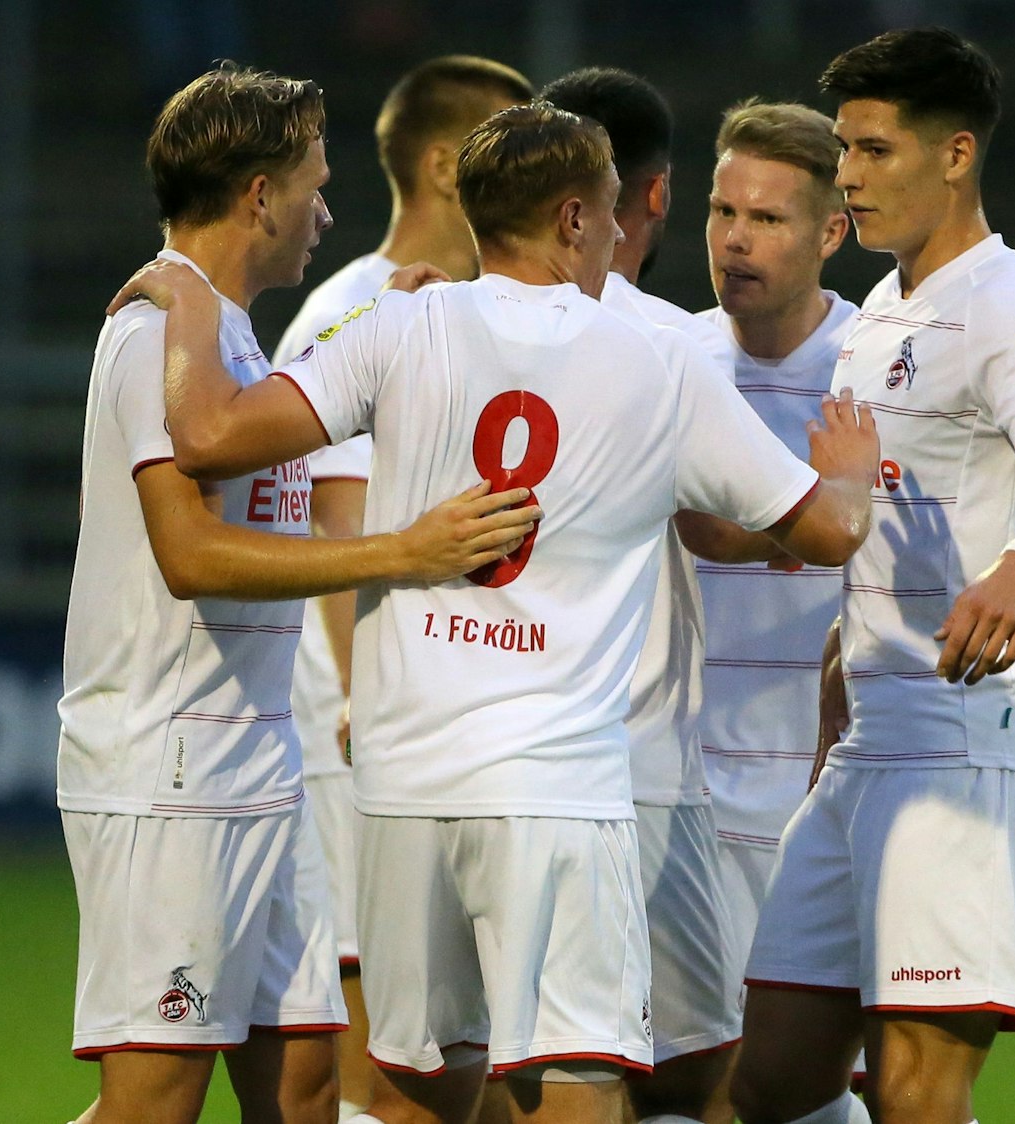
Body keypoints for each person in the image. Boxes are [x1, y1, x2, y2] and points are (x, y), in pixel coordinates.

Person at [110, 101, 879, 1124]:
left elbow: (205, 434)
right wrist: (850, 477)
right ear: (573, 218)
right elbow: (825, 533)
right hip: (555, 786)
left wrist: (186, 294)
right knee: (584, 1083)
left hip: (403, 785)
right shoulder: (656, 361)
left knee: (419, 1093)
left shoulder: (397, 324)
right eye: (609, 211)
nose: (618, 233)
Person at [55, 64, 541, 1124]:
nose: (325, 213)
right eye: (314, 188)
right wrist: (400, 552)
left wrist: (394, 319)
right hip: (167, 767)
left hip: (256, 759)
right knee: (155, 1099)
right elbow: (190, 554)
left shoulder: (222, 333)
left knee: (307, 1082)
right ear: (259, 196)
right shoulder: (155, 333)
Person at [730, 29, 1015, 1124]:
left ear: (954, 155)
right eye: (843, 149)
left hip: (969, 739)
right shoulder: (876, 319)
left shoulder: (1009, 301)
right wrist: (839, 666)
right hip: (869, 742)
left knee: (914, 1088)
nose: (847, 175)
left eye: (873, 149)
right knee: (771, 1082)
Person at [269, 54, 532, 1120]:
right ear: (443, 165)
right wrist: (360, 699)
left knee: (457, 1045)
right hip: (361, 730)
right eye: (507, 143)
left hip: (436, 720)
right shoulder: (356, 310)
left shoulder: (464, 308)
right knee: (385, 1056)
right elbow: (338, 521)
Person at [539, 66, 738, 1124]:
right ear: (654, 195)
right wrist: (850, 496)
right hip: (635, 760)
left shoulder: (435, 321)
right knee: (704, 1074)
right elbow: (736, 521)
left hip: (488, 749)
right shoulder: (671, 342)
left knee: (488, 1064)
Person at [679, 99, 869, 1122]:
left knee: (797, 1092)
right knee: (664, 1084)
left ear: (831, 230)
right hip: (675, 797)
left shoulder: (877, 367)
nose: (736, 240)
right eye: (722, 212)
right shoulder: (670, 358)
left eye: (767, 218)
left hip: (817, 800)